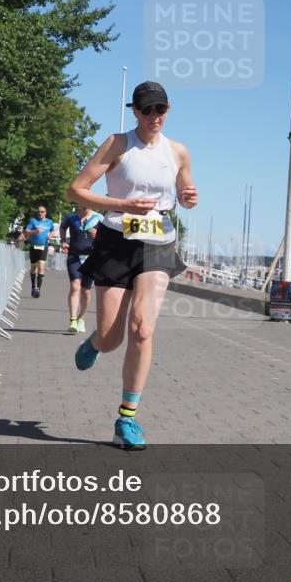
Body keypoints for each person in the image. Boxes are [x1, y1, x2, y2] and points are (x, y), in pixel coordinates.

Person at [66, 81, 198, 450]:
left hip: (158, 241)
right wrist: (122, 205)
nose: (155, 117)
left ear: (168, 110)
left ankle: (127, 419)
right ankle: (95, 342)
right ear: (135, 112)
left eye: (161, 110)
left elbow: (185, 196)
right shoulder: (117, 145)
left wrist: (189, 198)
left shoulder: (178, 152)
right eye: (147, 110)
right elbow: (75, 190)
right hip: (115, 241)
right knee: (112, 338)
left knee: (142, 328)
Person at [59, 205, 103, 334]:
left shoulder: (99, 218)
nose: (88, 206)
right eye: (85, 204)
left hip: (91, 257)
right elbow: (62, 227)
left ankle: (81, 318)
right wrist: (62, 240)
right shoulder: (71, 217)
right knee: (75, 286)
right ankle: (73, 319)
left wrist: (98, 235)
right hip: (74, 256)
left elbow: (108, 237)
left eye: (90, 204)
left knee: (86, 291)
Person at [21, 204, 55, 298]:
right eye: (39, 211)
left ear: (45, 213)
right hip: (33, 247)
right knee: (33, 268)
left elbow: (53, 230)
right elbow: (26, 232)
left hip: (44, 246)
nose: (40, 213)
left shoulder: (49, 222)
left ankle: (38, 289)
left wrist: (51, 235)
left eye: (42, 211)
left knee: (41, 267)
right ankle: (33, 287)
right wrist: (34, 232)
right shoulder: (33, 221)